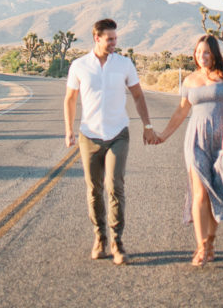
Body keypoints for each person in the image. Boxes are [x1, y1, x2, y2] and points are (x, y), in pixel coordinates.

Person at [64, 18, 160, 265]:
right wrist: (69, 131)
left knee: (115, 186)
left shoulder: (124, 64)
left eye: (116, 38)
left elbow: (138, 95)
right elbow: (70, 100)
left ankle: (117, 241)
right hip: (90, 136)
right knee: (94, 189)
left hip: (118, 133)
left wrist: (147, 126)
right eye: (110, 39)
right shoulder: (79, 66)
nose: (114, 43)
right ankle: (100, 238)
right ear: (97, 38)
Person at [156, 34, 223, 265]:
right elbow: (181, 111)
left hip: (221, 140)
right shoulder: (189, 81)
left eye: (206, 52)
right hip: (195, 139)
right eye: (198, 52)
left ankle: (212, 240)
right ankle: (201, 246)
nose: (201, 56)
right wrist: (163, 135)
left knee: (215, 190)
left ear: (214, 53)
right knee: (199, 192)